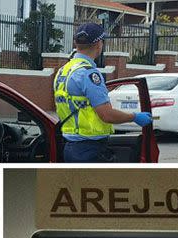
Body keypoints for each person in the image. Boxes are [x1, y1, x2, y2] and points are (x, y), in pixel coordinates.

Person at [54, 23, 153, 163]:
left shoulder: (64, 71)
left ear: (77, 43)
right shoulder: (88, 74)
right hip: (90, 150)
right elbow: (107, 115)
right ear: (98, 44)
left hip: (71, 148)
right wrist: (134, 116)